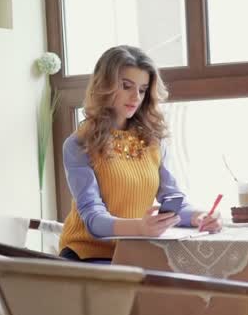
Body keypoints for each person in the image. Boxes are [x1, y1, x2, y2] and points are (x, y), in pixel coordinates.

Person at [58, 45, 222, 262]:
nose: (136, 97)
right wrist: (139, 227)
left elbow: (173, 202)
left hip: (136, 253)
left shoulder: (154, 141)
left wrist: (199, 217)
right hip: (88, 255)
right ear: (105, 86)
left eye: (143, 89)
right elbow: (92, 218)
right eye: (126, 86)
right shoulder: (79, 144)